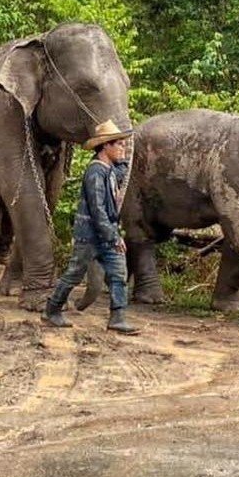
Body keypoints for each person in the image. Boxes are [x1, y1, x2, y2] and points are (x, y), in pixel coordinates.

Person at [42, 119, 140, 334]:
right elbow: (98, 210)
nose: (122, 149)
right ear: (106, 146)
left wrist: (126, 151)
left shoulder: (109, 170)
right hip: (91, 235)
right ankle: (52, 309)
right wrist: (113, 236)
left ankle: (118, 317)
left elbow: (122, 172)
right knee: (75, 274)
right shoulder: (95, 172)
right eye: (119, 145)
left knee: (118, 274)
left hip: (105, 234)